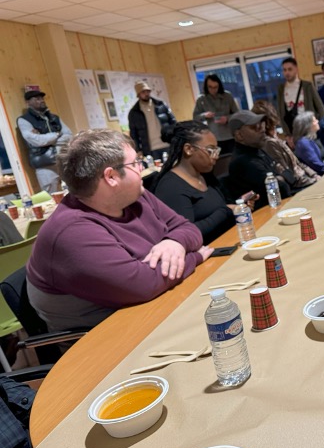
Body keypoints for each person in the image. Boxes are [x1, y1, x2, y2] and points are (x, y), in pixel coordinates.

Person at [26, 130, 212, 333]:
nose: (141, 169)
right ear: (111, 176)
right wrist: (194, 257)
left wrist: (174, 242)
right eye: (135, 163)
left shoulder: (134, 195)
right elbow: (144, 284)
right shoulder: (72, 231)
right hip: (104, 336)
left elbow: (188, 229)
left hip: (151, 309)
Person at [153, 121, 236, 245]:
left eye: (216, 150)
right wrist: (225, 211)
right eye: (210, 150)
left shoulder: (204, 175)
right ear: (189, 149)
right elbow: (186, 234)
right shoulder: (171, 187)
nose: (216, 156)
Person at [227, 110, 290, 209]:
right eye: (254, 127)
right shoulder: (242, 161)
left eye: (261, 125)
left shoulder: (257, 150)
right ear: (239, 135)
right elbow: (282, 188)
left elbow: (289, 175)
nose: (262, 130)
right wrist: (279, 177)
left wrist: (280, 177)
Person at [252, 100, 318, 192]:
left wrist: (314, 175)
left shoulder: (276, 138)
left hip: (304, 180)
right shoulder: (269, 143)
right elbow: (287, 173)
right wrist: (313, 180)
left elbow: (298, 163)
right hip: (299, 185)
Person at [17, 90, 72, 193]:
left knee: (74, 191)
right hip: (45, 164)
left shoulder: (54, 118)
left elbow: (69, 135)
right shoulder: (24, 120)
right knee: (52, 197)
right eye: (37, 99)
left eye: (42, 98)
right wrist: (56, 135)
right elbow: (36, 141)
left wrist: (47, 139)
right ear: (28, 102)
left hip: (64, 160)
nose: (41, 101)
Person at [192, 74, 239, 158]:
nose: (213, 90)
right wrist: (204, 115)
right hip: (213, 138)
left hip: (230, 136)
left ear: (219, 86)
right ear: (206, 86)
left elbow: (237, 114)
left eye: (215, 87)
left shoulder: (227, 96)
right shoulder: (201, 99)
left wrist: (227, 118)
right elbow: (195, 117)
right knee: (219, 163)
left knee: (234, 159)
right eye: (210, 87)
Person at [276, 57, 324, 134]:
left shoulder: (307, 86)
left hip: (309, 128)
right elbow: (280, 112)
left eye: (290, 69)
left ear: (296, 69)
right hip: (292, 130)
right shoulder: (281, 89)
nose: (287, 73)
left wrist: (321, 126)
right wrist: (287, 134)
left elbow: (320, 107)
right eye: (284, 70)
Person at [128, 80, 176, 158]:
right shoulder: (134, 112)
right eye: (143, 92)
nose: (146, 94)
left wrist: (175, 139)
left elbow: (173, 122)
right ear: (138, 94)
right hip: (150, 150)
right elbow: (134, 135)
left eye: (147, 91)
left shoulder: (161, 105)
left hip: (168, 144)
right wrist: (138, 150)